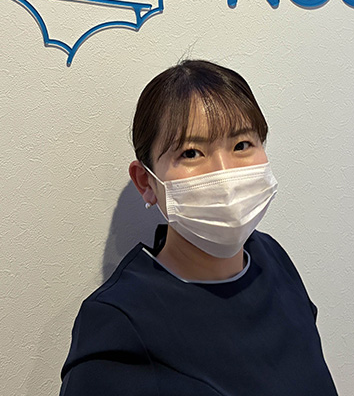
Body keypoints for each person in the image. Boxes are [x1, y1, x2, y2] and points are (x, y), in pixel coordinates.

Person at [59, 60, 338, 395]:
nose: (223, 173)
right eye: (191, 153)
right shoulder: (119, 325)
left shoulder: (273, 259)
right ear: (146, 181)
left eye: (241, 145)